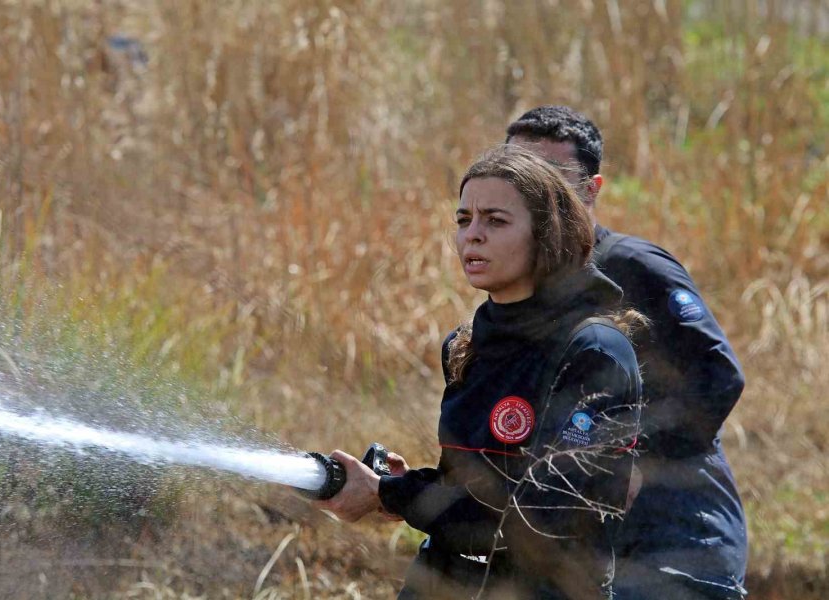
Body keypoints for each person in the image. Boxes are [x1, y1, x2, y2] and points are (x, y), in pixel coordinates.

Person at [317, 145, 644, 599]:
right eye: (463, 219)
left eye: (495, 220)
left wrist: (389, 494)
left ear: (546, 235)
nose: (472, 235)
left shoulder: (594, 351)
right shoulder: (465, 343)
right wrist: (406, 486)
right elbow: (474, 489)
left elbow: (537, 521)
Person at [505, 105, 748, 599]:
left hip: (678, 544)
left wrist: (633, 458)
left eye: (551, 179)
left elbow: (719, 376)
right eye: (515, 178)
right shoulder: (516, 294)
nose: (532, 195)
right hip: (588, 551)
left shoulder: (633, 267)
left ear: (592, 191)